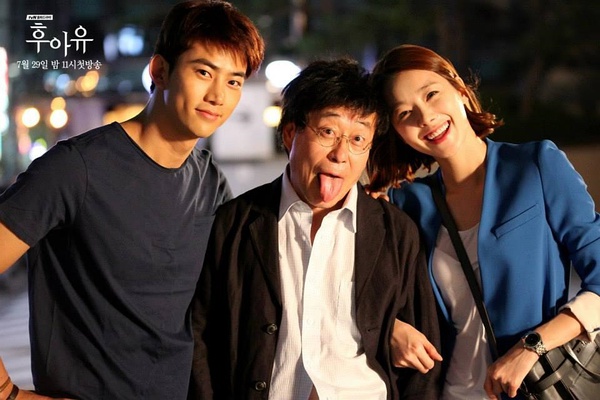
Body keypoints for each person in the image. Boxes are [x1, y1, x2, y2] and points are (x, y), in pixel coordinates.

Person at [0, 1, 264, 399]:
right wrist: (8, 393)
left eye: (234, 82)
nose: (217, 96)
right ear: (160, 71)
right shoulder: (76, 169)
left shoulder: (209, 181)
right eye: (203, 72)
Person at [187, 58, 443, 400]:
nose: (341, 154)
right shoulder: (235, 223)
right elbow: (200, 335)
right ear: (290, 133)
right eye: (328, 132)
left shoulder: (396, 233)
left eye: (358, 139)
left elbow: (424, 364)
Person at [367, 43, 600, 399]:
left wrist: (532, 346)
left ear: (460, 90)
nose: (425, 118)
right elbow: (356, 293)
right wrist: (390, 329)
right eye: (404, 113)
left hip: (532, 388)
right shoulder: (407, 204)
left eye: (431, 94)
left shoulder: (535, 166)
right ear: (397, 130)